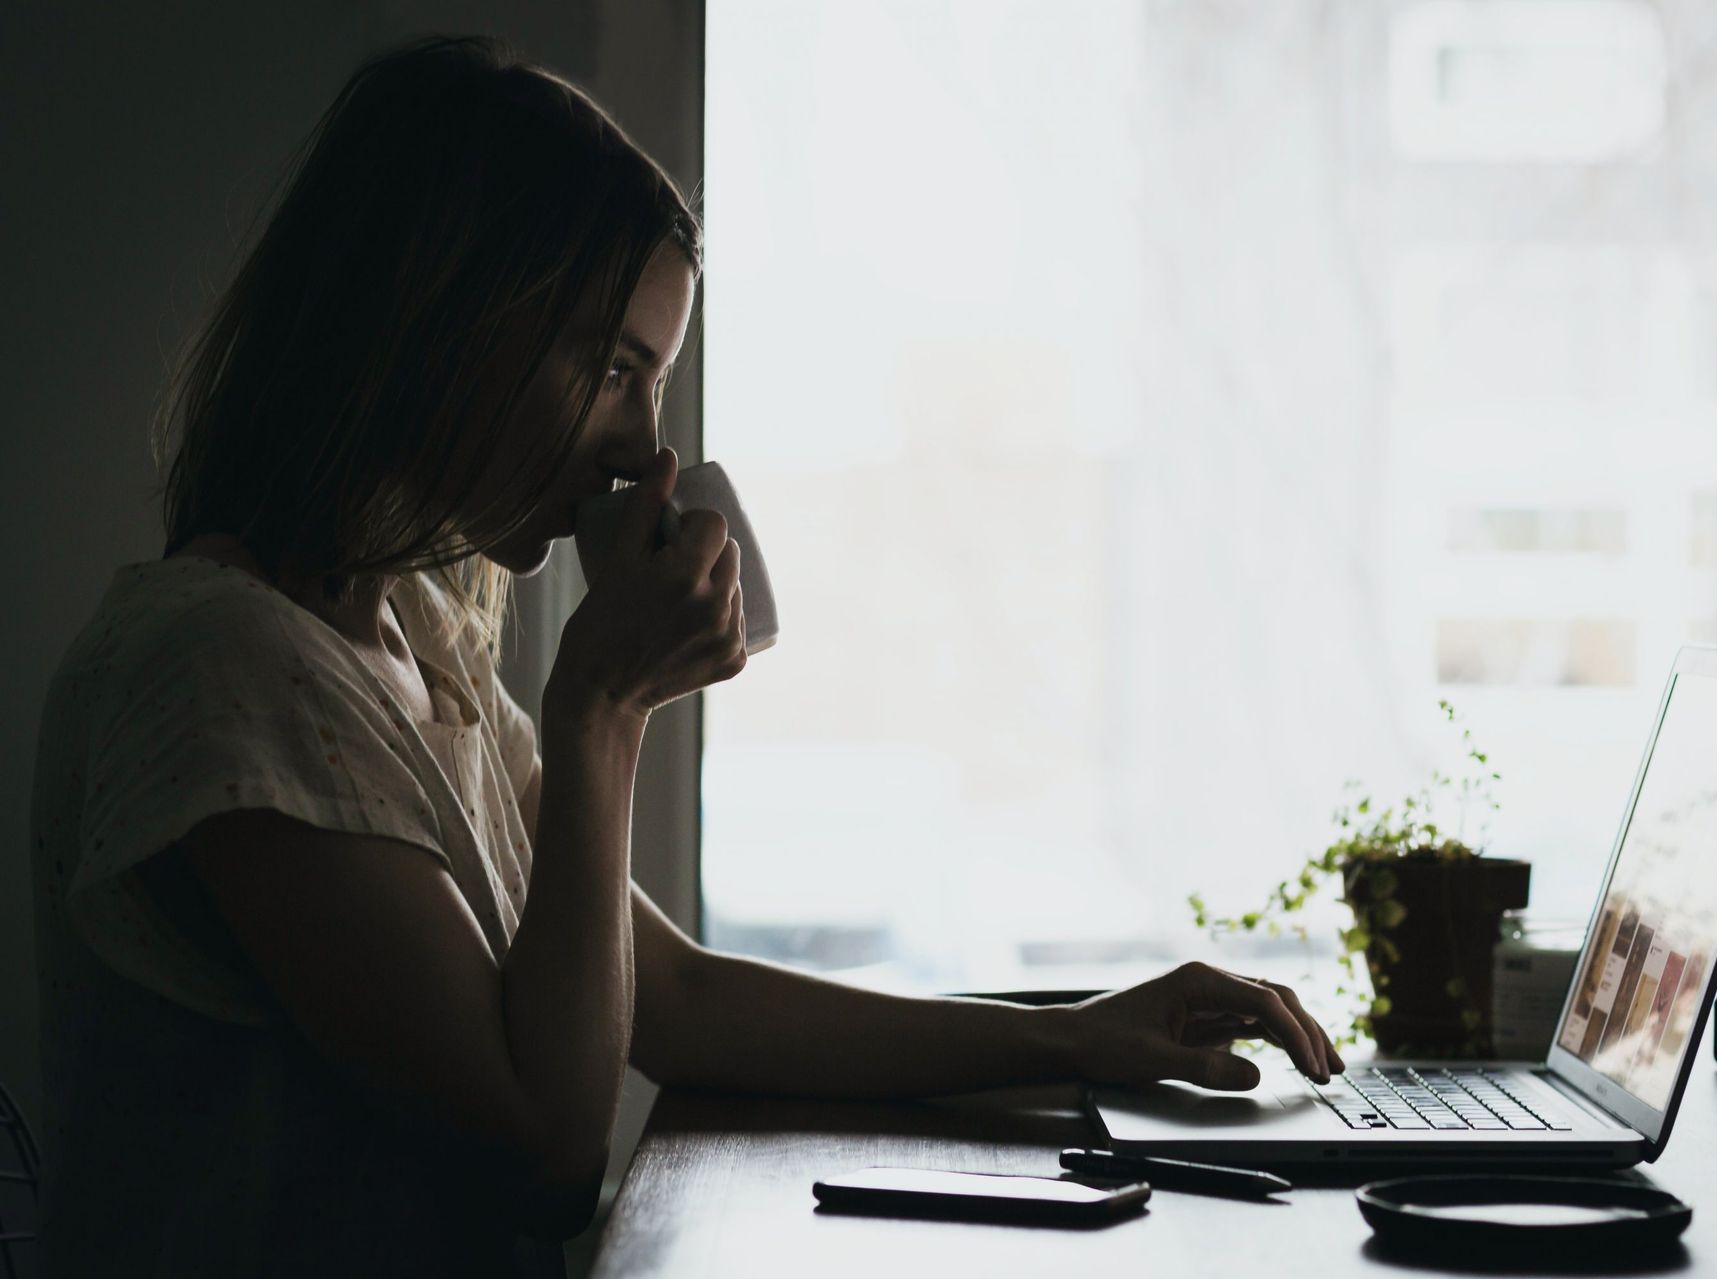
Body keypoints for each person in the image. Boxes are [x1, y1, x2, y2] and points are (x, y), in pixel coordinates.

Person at [27, 33, 1341, 1276]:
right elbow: (538, 1144)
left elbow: (673, 997)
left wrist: (1084, 1035)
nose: (644, 449)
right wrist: (603, 704)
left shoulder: (410, 645)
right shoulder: (222, 666)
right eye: (611, 367)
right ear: (440, 323)